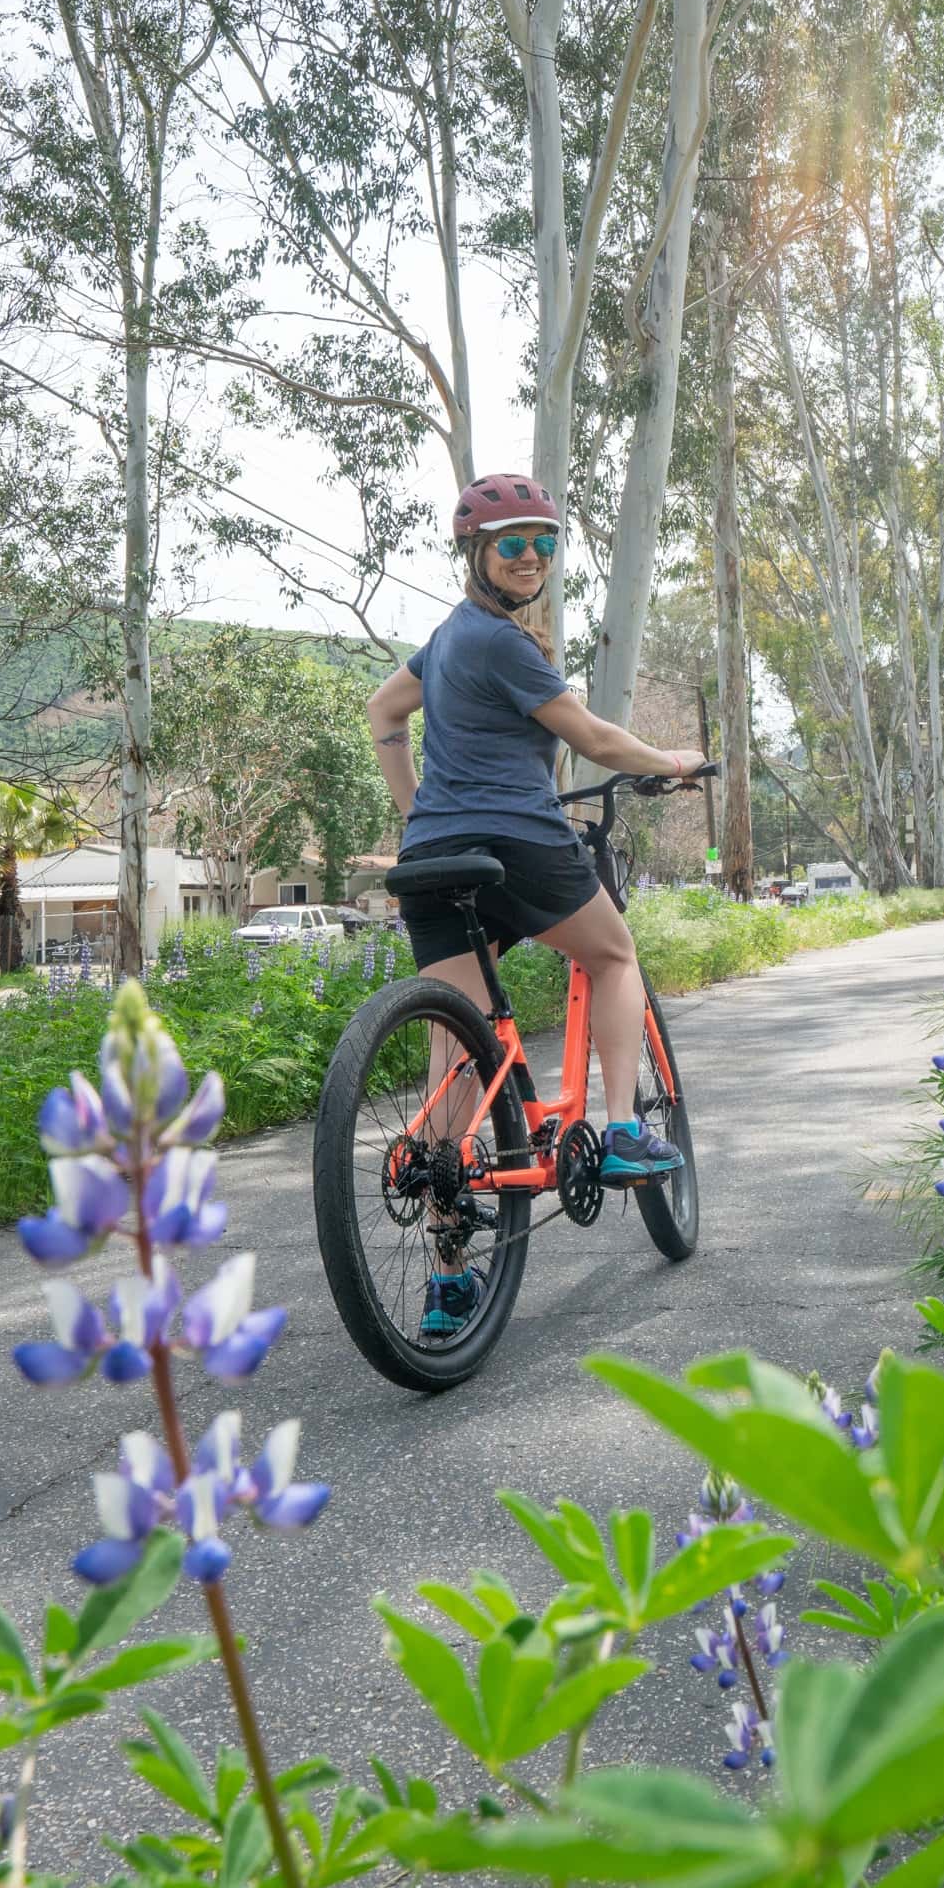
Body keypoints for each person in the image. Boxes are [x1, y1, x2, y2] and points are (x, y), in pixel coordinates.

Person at [366, 471, 706, 1333]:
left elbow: (383, 711)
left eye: (544, 543)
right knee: (613, 952)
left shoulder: (444, 643)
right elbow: (590, 737)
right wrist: (669, 761)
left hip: (434, 858)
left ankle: (448, 1285)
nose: (530, 558)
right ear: (475, 553)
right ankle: (624, 1130)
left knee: (457, 1057)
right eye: (511, 543)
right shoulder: (504, 643)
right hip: (517, 844)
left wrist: (419, 814)